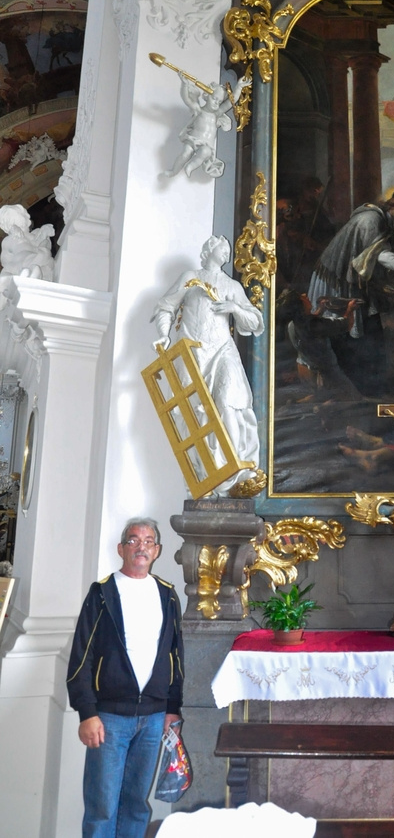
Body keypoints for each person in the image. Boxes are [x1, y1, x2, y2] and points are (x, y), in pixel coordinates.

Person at [67, 519, 184, 838]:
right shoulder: (102, 593)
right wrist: (87, 712)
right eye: (133, 541)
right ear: (121, 549)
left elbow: (175, 655)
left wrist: (172, 709)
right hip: (109, 718)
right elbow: (82, 655)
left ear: (157, 550)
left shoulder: (167, 595)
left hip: (154, 718)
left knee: (136, 805)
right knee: (102, 807)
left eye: (148, 541)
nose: (141, 547)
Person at [153, 234, 264, 495]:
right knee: (194, 412)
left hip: (223, 350)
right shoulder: (190, 277)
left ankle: (232, 468)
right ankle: (203, 475)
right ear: (209, 250)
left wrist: (235, 308)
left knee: (228, 402)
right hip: (193, 352)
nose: (227, 253)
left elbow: (255, 321)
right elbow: (166, 307)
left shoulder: (232, 286)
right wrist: (163, 334)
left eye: (228, 250)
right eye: (222, 248)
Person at [305, 188, 394, 394]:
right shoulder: (371, 220)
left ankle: (372, 386)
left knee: (367, 329)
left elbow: (383, 263)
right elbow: (380, 255)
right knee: (342, 332)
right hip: (335, 282)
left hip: (354, 282)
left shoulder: (384, 224)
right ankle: (354, 389)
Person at [162, 72, 250, 179]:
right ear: (207, 96)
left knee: (205, 152)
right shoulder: (198, 110)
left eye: (219, 101)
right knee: (185, 154)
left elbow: (231, 101)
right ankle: (173, 171)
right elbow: (186, 99)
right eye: (214, 99)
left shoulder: (216, 114)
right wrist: (184, 84)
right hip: (193, 139)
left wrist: (239, 87)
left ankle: (190, 167)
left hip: (206, 144)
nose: (216, 103)